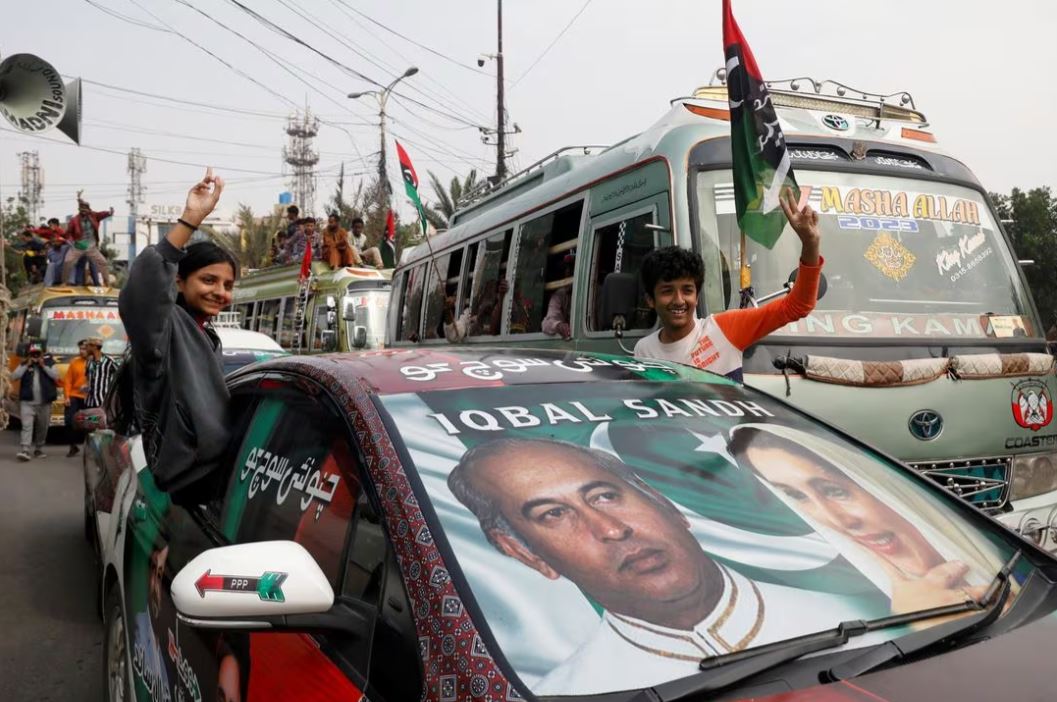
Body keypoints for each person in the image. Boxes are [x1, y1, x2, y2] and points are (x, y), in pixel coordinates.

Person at [447, 436, 978, 695]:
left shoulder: (868, 611)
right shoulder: (566, 692)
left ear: (662, 500)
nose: (610, 530)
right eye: (555, 515)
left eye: (606, 496)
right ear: (523, 553)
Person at [728, 426, 993, 608]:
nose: (836, 520)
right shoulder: (861, 606)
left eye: (834, 490)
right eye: (797, 496)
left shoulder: (1015, 572)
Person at [118, 168, 235, 504]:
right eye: (209, 280)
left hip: (218, 480)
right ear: (179, 282)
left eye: (228, 285)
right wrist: (189, 220)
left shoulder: (209, 338)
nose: (220, 292)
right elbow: (140, 292)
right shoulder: (164, 328)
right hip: (188, 484)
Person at [634, 188, 821, 381]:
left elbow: (798, 306)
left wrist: (810, 243)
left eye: (687, 290)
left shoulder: (723, 329)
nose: (679, 300)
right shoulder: (644, 350)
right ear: (650, 300)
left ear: (696, 297)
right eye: (667, 291)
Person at [11, 343, 59, 461]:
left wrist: (43, 366)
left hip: (44, 402)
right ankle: (25, 450)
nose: (36, 356)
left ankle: (39, 448)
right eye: (33, 354)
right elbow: (14, 377)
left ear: (42, 354)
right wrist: (26, 365)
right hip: (27, 402)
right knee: (27, 426)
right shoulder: (24, 364)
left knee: (42, 427)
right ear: (29, 354)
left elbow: (56, 377)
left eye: (38, 354)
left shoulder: (50, 363)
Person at [63, 197, 113, 286]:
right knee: (68, 261)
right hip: (79, 245)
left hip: (91, 246)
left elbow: (102, 214)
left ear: (89, 210)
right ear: (79, 210)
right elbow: (68, 233)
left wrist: (109, 213)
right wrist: (72, 242)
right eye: (82, 210)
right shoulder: (74, 220)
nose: (84, 212)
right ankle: (64, 282)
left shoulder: (93, 216)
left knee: (103, 262)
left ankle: (106, 282)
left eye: (85, 210)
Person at [63, 339, 90, 457]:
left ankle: (89, 447)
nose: (81, 351)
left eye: (84, 349)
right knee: (69, 420)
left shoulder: (96, 362)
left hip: (90, 398)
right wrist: (66, 396)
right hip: (74, 395)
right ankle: (72, 446)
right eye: (80, 349)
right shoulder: (74, 362)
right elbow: (68, 380)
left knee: (90, 422)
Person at [542, 252, 574, 340]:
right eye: (566, 268)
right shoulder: (560, 295)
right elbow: (546, 324)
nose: (568, 271)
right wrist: (558, 326)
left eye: (572, 268)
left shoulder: (596, 292)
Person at [84, 336, 119, 409]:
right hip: (90, 401)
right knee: (91, 419)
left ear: (94, 347)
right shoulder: (89, 361)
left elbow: (121, 375)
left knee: (100, 419)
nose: (86, 348)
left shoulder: (109, 361)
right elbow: (87, 377)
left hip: (103, 401)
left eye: (87, 345)